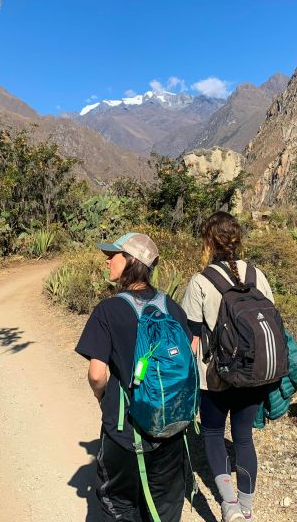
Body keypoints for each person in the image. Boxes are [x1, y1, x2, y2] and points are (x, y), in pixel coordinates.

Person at [76, 232, 193, 522]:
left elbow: (96, 374)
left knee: (119, 505)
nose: (107, 261)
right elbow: (189, 353)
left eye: (112, 255)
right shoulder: (172, 307)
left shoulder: (108, 310)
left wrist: (101, 396)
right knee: (164, 506)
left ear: (130, 261)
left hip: (126, 432)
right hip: (171, 428)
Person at [181, 211, 279, 522]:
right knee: (244, 437)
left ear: (209, 242)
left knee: (211, 432)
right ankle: (247, 510)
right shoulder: (257, 275)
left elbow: (191, 337)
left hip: (216, 375)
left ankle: (229, 505)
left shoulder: (200, 281)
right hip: (253, 372)